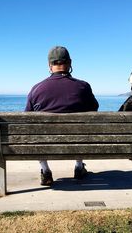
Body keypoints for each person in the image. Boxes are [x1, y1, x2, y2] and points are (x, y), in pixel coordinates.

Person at [25, 46, 99, 186]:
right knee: (80, 130)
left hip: (46, 143)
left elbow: (27, 117)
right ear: (70, 63)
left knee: (37, 133)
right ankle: (78, 167)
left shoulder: (37, 89)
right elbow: (94, 109)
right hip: (76, 140)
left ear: (49, 65)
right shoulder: (83, 87)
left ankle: (46, 171)